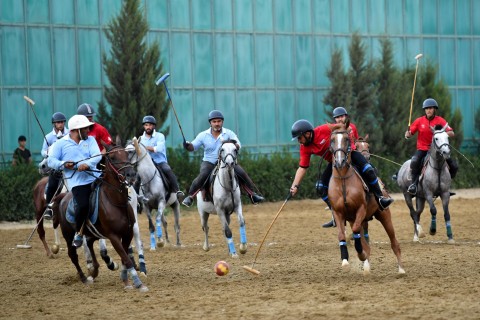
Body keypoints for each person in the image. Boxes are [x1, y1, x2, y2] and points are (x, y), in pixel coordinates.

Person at [289, 117, 393, 226]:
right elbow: (302, 167)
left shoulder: (324, 129)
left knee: (368, 170)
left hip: (350, 154)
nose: (299, 140)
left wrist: (346, 130)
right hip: (334, 163)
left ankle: (380, 198)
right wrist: (295, 186)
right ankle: (335, 214)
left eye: (299, 137)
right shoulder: (304, 147)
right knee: (320, 187)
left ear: (307, 134)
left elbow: (341, 127)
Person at [181, 110, 264, 207]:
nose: (217, 124)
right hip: (209, 162)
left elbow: (238, 144)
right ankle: (190, 197)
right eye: (214, 121)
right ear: (210, 123)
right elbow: (193, 147)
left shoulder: (228, 133)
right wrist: (187, 145)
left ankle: (252, 195)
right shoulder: (203, 135)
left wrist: (232, 143)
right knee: (203, 175)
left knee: (242, 173)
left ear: (222, 122)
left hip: (227, 162)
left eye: (219, 121)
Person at [48, 115, 101, 247]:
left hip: (96, 176)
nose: (88, 131)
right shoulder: (60, 144)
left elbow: (97, 156)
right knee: (83, 205)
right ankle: (79, 232)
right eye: (85, 128)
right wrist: (64, 164)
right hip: (78, 183)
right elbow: (51, 161)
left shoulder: (91, 140)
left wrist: (86, 164)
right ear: (76, 130)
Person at [404, 98, 457, 195]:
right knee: (415, 161)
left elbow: (451, 132)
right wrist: (407, 134)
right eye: (426, 108)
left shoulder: (440, 120)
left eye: (430, 108)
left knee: (454, 166)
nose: (428, 110)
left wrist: (441, 133)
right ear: (424, 110)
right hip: (422, 149)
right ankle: (414, 185)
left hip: (438, 150)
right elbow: (410, 133)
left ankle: (447, 186)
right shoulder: (419, 121)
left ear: (434, 109)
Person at [140, 115, 184, 200]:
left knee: (167, 169)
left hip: (160, 161)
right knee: (137, 175)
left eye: (150, 125)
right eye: (146, 125)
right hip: (147, 164)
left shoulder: (160, 136)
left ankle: (177, 191)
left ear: (153, 126)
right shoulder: (141, 139)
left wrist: (145, 148)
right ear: (144, 126)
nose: (148, 127)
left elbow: (159, 149)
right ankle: (137, 197)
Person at [41, 112, 70, 219]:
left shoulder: (69, 134)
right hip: (56, 166)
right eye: (58, 122)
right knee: (52, 184)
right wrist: (47, 152)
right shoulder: (48, 137)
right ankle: (49, 208)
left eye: (62, 122)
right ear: (54, 124)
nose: (60, 124)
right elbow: (43, 151)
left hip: (68, 164)